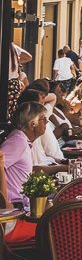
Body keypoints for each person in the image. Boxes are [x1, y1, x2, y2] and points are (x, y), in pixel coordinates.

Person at [0, 101, 48, 245]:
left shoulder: (23, 140)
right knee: (57, 228)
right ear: (32, 123)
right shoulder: (18, 141)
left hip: (19, 212)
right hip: (11, 218)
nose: (46, 122)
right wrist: (5, 203)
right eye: (43, 119)